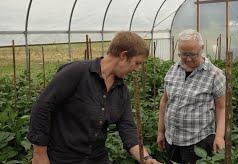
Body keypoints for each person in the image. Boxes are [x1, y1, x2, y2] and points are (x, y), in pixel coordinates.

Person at [28, 31, 160, 164]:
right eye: (137, 63)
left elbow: (127, 127)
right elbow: (42, 107)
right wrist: (39, 154)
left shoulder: (120, 89)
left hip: (97, 158)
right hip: (63, 157)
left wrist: (146, 158)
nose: (137, 68)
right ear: (123, 56)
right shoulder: (77, 72)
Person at [157, 29, 226, 164]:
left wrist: (219, 136)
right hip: (172, 139)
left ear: (201, 49)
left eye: (192, 54)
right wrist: (161, 131)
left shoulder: (214, 74)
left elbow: (221, 108)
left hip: (198, 141)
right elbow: (165, 102)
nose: (187, 58)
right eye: (183, 54)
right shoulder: (173, 70)